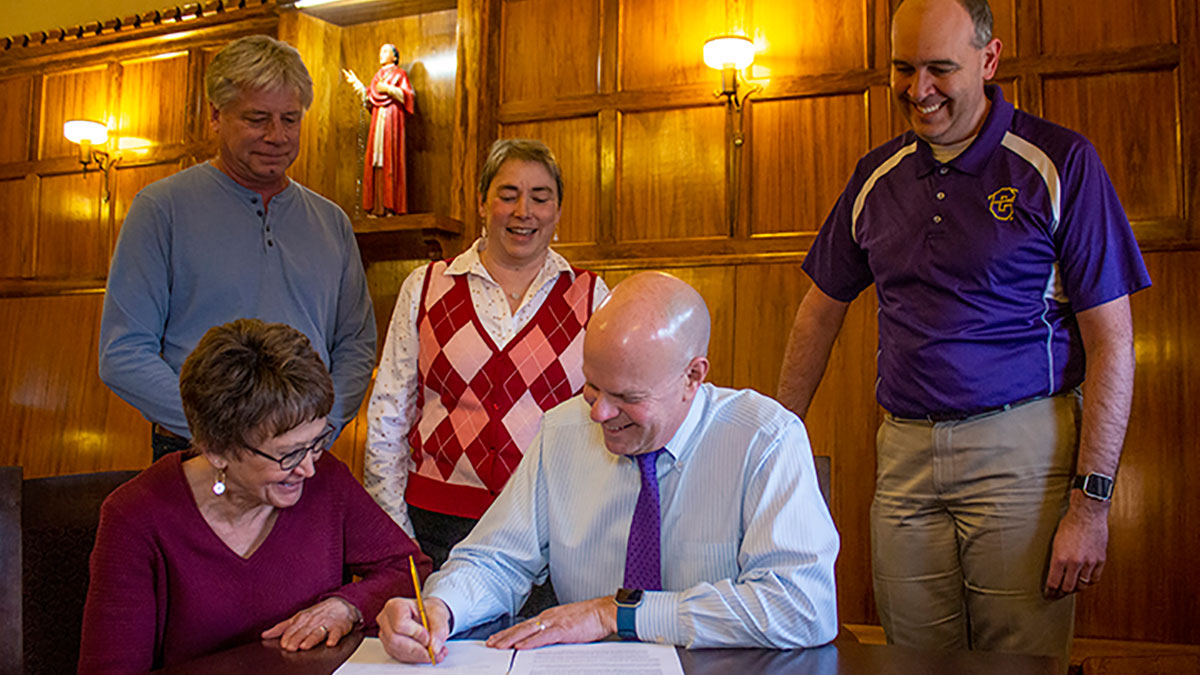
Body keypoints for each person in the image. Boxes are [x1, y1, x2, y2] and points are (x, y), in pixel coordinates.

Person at [776, 0, 1150, 662]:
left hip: (1022, 455)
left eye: (940, 69)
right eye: (903, 68)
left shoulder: (1059, 162)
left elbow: (1114, 342)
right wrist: (779, 438)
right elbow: (819, 310)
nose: (919, 90)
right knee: (911, 657)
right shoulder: (876, 175)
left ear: (989, 58)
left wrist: (1091, 504)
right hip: (903, 456)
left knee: (1017, 661)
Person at [376, 272, 839, 663]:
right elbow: (496, 559)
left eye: (627, 398)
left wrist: (615, 614)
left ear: (693, 377)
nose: (598, 415)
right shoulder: (563, 430)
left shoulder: (764, 438)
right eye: (593, 388)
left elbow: (803, 605)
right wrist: (442, 607)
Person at [79, 319, 430, 673]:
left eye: (316, 443)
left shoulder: (327, 481)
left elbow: (409, 568)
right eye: (288, 455)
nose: (307, 468)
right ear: (217, 449)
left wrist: (347, 605)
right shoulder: (135, 517)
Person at [99, 35, 376, 461]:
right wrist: (228, 433)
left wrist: (322, 427)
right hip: (198, 451)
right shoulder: (161, 209)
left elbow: (355, 344)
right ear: (215, 115)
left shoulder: (331, 222)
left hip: (306, 456)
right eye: (257, 118)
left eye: (290, 119)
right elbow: (123, 353)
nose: (276, 135)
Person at [364, 138, 609, 579]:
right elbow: (388, 416)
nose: (524, 212)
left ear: (558, 210)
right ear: (482, 203)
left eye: (540, 197)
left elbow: (607, 417)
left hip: (549, 526)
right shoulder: (425, 287)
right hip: (437, 526)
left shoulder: (592, 297)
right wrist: (395, 534)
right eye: (507, 194)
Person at [343, 43, 415, 215]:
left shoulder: (399, 74)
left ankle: (391, 206)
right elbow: (370, 98)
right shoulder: (378, 76)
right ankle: (376, 206)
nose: (380, 54)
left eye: (385, 51)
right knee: (376, 161)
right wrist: (358, 85)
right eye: (380, 51)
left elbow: (408, 96)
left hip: (392, 119)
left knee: (390, 159)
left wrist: (388, 89)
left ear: (395, 57)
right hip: (378, 121)